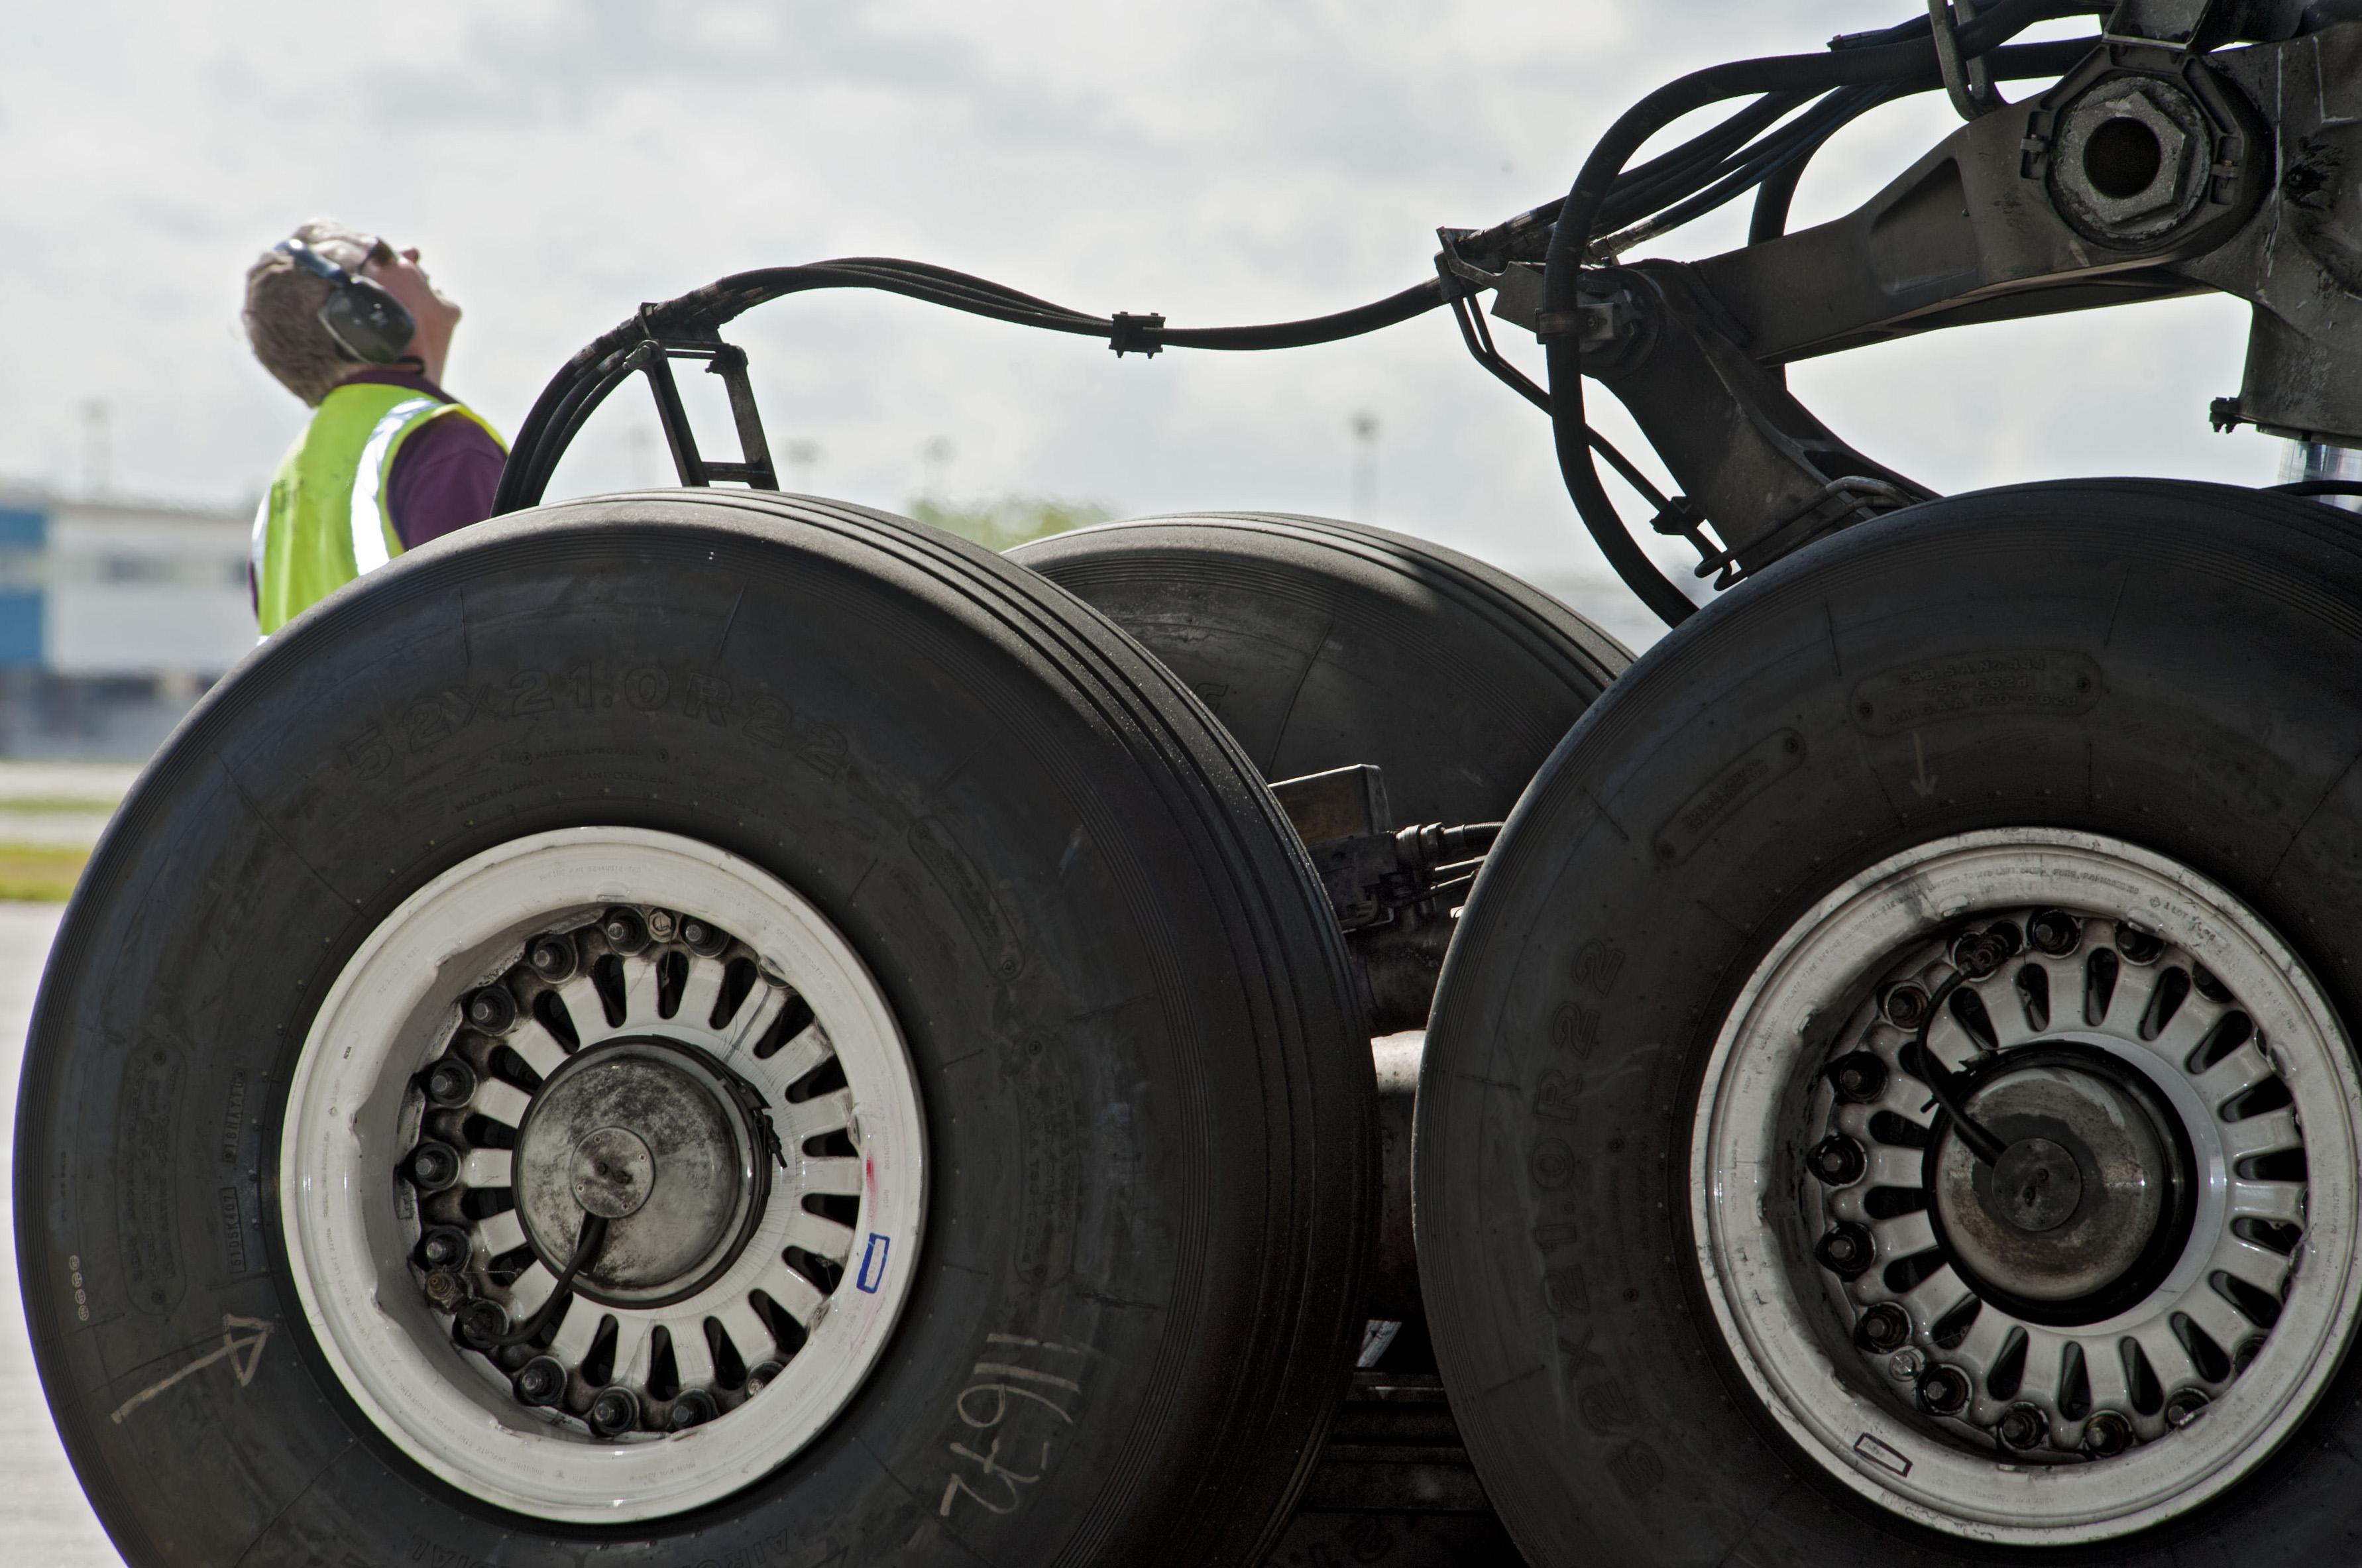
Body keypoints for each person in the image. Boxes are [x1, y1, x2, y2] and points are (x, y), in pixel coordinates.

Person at [242, 220, 506, 633]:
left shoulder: (286, 484)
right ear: (363, 314)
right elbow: (508, 646)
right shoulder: (440, 445)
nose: (413, 253)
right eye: (383, 257)